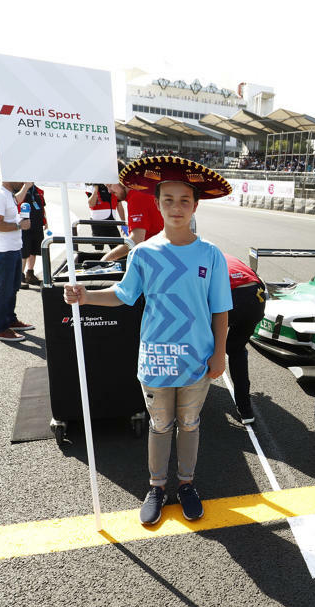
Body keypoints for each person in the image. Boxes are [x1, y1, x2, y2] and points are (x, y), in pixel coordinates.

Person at [64, 156, 232, 525]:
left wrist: (219, 355)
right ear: (156, 204)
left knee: (189, 424)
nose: (176, 207)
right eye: (168, 200)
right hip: (155, 358)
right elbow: (123, 295)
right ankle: (156, 487)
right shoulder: (142, 253)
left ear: (195, 205)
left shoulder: (211, 254)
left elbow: (221, 310)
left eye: (184, 200)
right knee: (160, 425)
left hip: (198, 359)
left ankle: (186, 484)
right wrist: (86, 295)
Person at [0, 181, 35, 343]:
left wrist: (26, 187)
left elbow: (17, 200)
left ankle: (10, 319)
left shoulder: (7, 194)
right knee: (4, 289)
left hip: (13, 248)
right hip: (2, 250)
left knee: (13, 287)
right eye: (20, 178)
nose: (22, 181)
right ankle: (1, 328)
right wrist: (18, 225)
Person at [224, 254, 266, 424]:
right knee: (236, 350)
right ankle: (246, 411)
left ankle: (191, 405)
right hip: (256, 296)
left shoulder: (200, 256)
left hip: (232, 294)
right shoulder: (226, 256)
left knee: (203, 345)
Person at [20, 183, 47, 287]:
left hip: (37, 224)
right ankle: (20, 277)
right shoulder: (20, 189)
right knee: (24, 251)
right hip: (25, 225)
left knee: (34, 251)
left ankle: (30, 274)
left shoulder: (39, 191)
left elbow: (42, 207)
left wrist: (46, 221)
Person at [86, 182, 125, 251]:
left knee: (117, 248)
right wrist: (95, 191)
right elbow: (91, 204)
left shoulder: (113, 186)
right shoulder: (91, 186)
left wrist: (123, 223)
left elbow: (119, 206)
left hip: (112, 223)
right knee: (98, 250)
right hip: (97, 224)